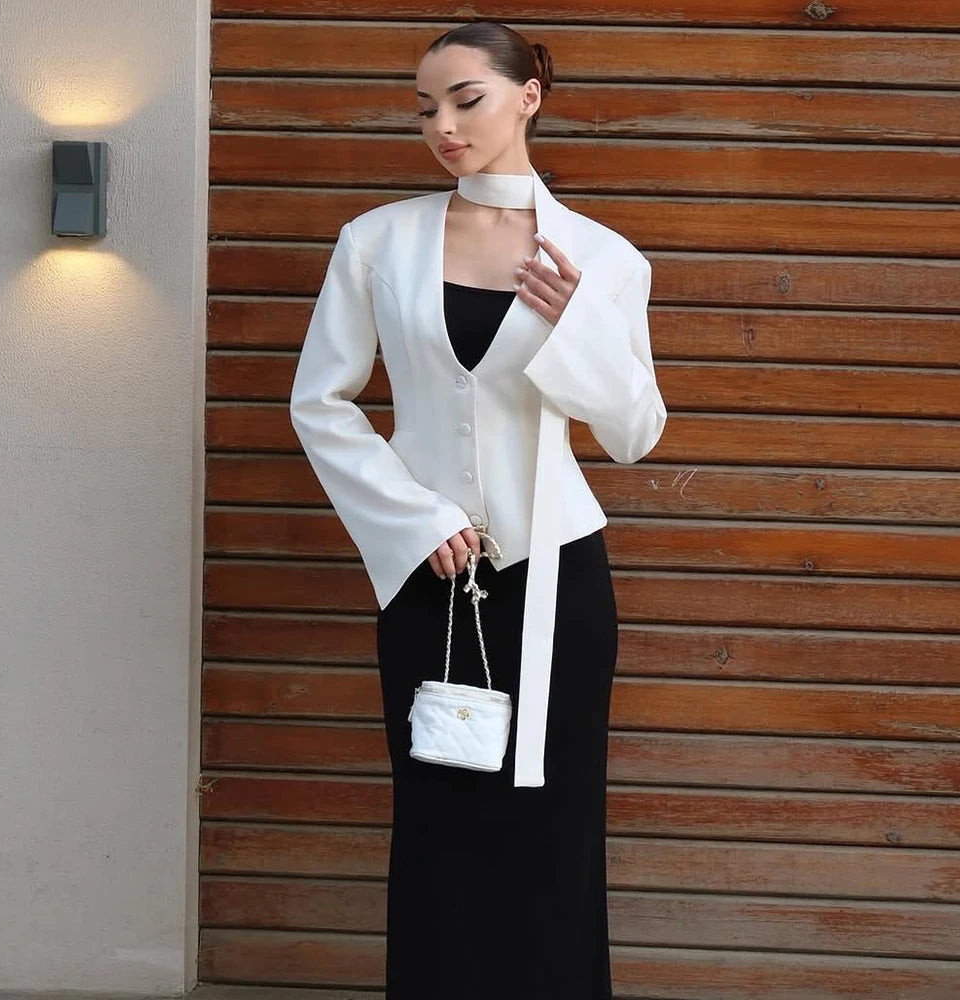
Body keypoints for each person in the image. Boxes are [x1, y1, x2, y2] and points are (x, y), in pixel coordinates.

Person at [289, 18, 667, 999]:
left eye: (467, 100)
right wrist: (413, 520)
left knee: (553, 822)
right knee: (439, 818)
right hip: (429, 577)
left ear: (527, 96)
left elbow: (635, 432)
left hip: (557, 580)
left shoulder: (603, 259)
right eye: (426, 109)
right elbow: (318, 402)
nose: (444, 127)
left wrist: (576, 326)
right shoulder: (376, 241)